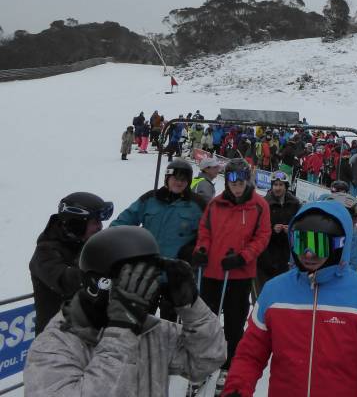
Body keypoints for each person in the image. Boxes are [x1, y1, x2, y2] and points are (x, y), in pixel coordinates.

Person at [220, 201, 357, 396]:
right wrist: (237, 388)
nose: (308, 253)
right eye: (301, 242)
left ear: (338, 244)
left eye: (318, 244)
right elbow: (250, 354)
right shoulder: (274, 291)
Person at [24, 226, 226, 397]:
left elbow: (206, 360)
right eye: (133, 281)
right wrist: (121, 332)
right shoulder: (54, 345)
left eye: (148, 279)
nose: (146, 290)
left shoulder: (152, 332)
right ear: (98, 284)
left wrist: (191, 306)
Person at [191, 158, 271, 393]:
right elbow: (205, 230)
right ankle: (204, 361)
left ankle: (228, 365)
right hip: (212, 271)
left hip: (238, 273)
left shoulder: (258, 205)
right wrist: (201, 250)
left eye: (240, 181)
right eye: (231, 181)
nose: (236, 186)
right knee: (207, 319)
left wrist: (244, 257)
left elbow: (262, 236)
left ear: (247, 181)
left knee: (234, 323)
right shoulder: (216, 204)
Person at [111, 158, 206, 321]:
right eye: (175, 178)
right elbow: (123, 222)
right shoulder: (150, 199)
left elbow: (208, 234)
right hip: (147, 272)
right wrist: (114, 241)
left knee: (170, 325)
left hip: (176, 276)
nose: (179, 182)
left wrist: (195, 250)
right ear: (167, 178)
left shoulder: (197, 205)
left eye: (184, 179)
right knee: (138, 319)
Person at [29, 192, 113, 333]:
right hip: (56, 337)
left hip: (87, 330)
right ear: (76, 225)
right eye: (95, 222)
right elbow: (65, 281)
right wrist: (101, 269)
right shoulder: (45, 252)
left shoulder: (85, 243)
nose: (100, 227)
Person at [256, 170, 300, 291]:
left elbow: (300, 225)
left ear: (286, 187)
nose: (277, 188)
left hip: (285, 257)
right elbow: (257, 228)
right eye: (275, 185)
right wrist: (272, 229)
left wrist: (291, 229)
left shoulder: (294, 203)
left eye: (281, 185)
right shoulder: (264, 203)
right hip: (266, 257)